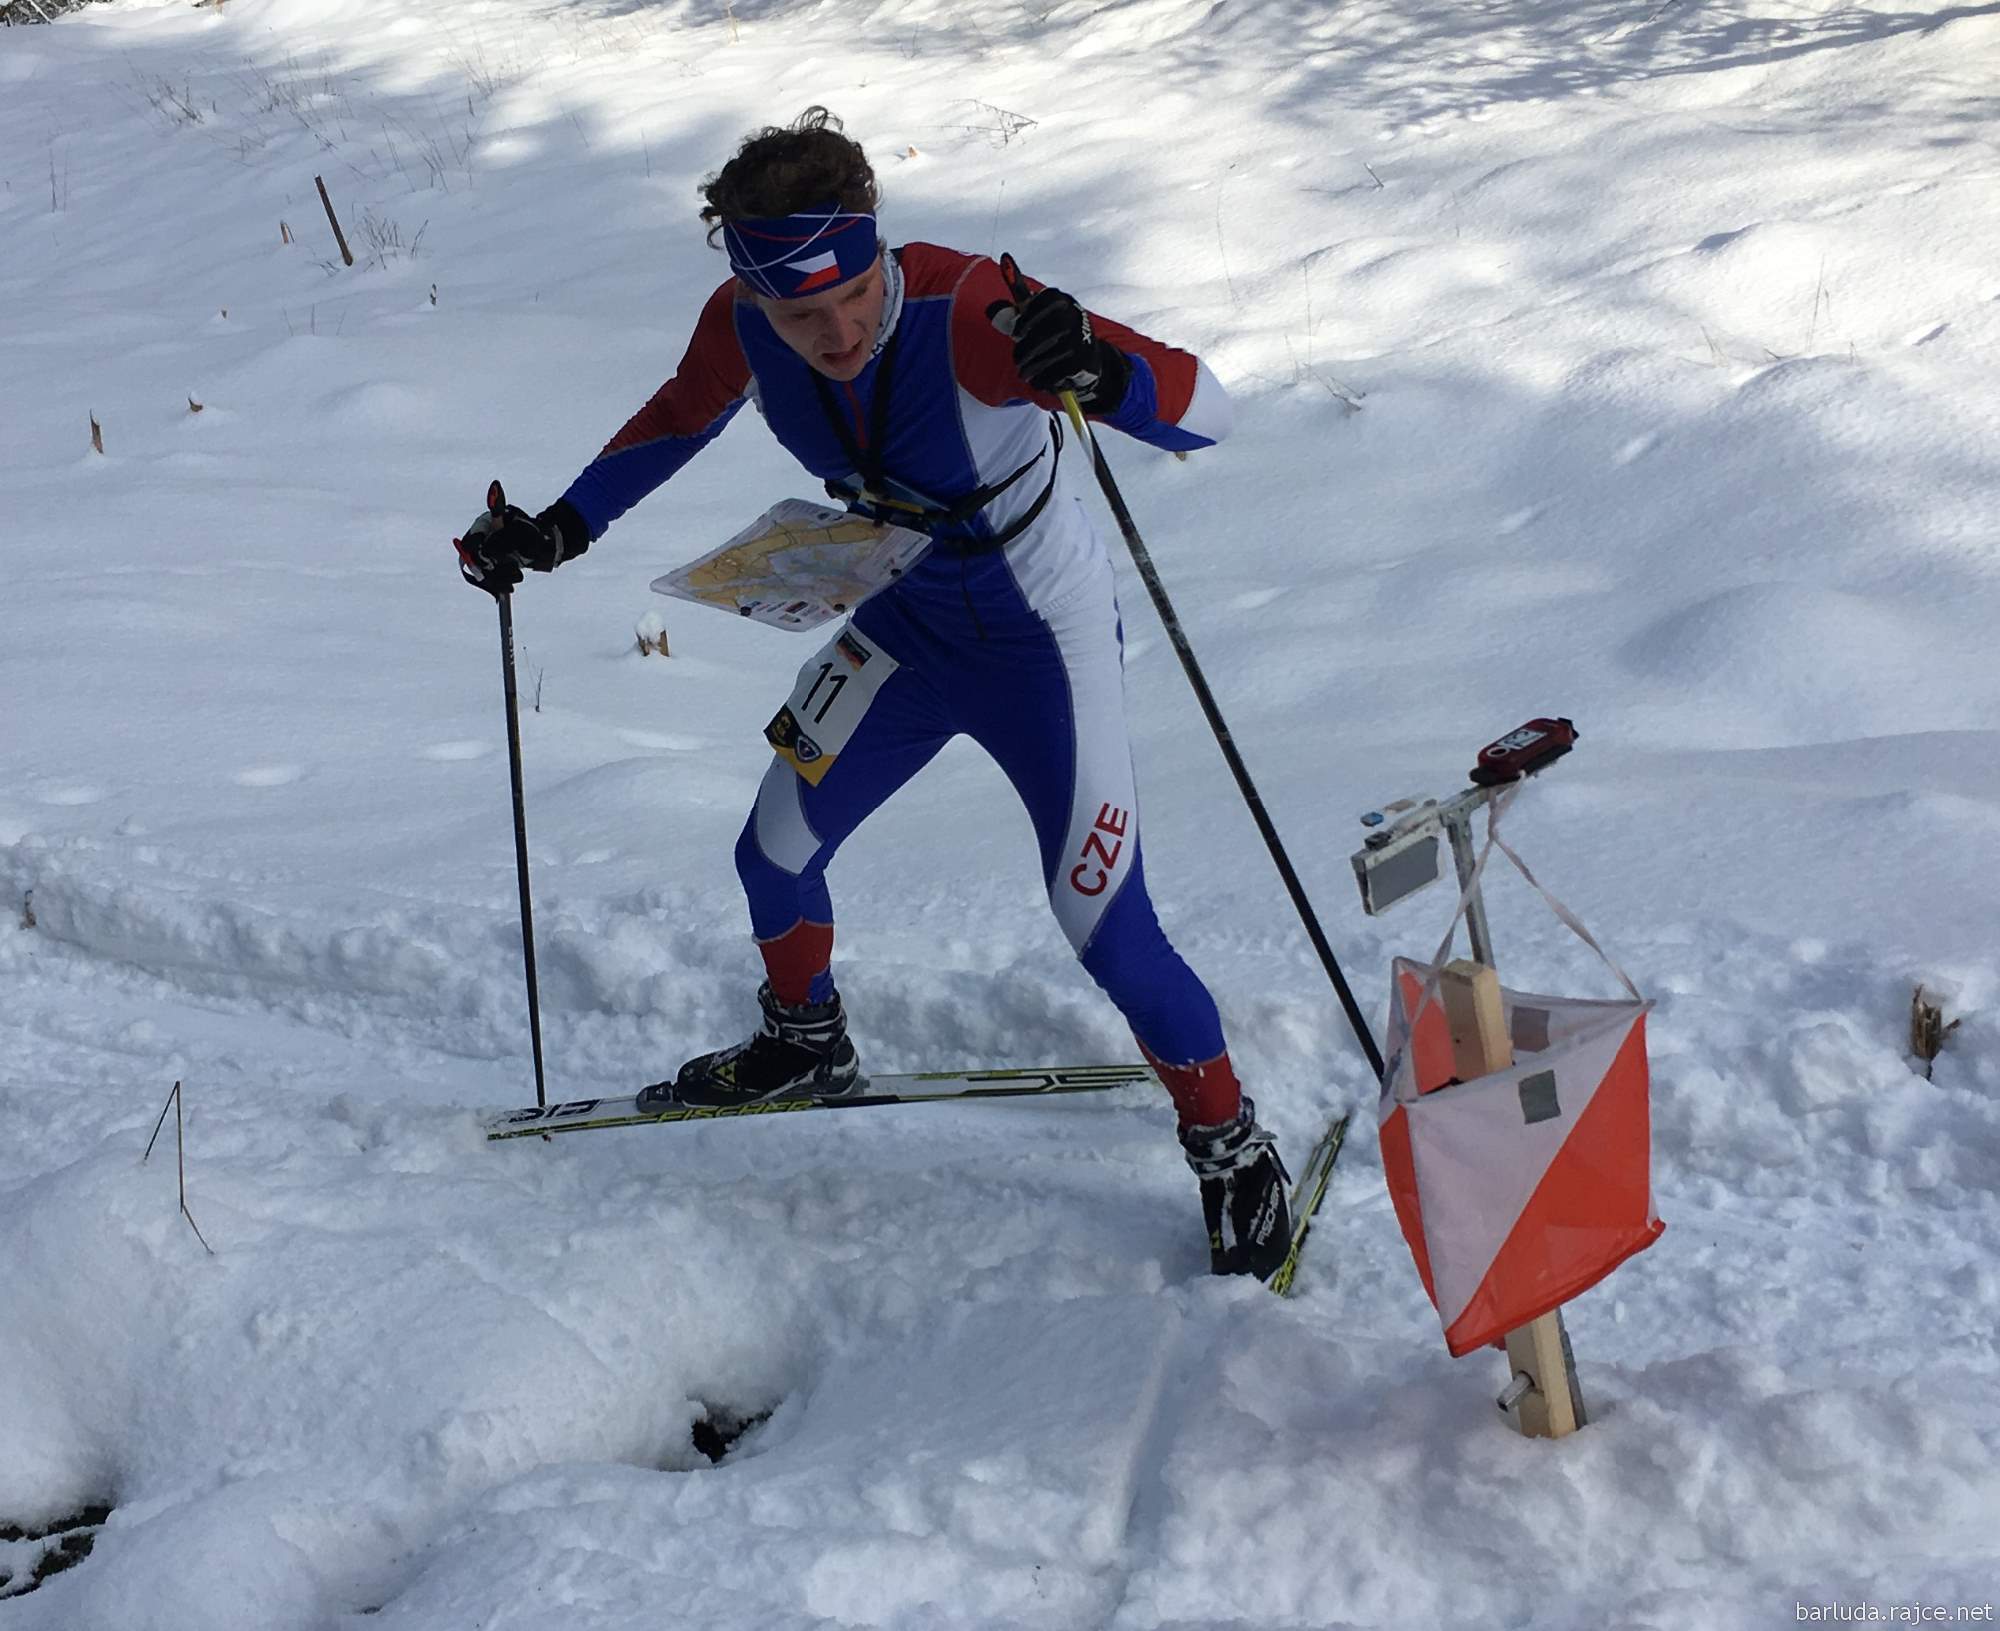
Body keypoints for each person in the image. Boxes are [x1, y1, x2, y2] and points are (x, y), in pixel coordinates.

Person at [457, 108, 1292, 1280]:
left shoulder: (968, 311)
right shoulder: (741, 325)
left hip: (1040, 645)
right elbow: (678, 415)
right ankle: (805, 1039)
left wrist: (1102, 372)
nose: (839, 330)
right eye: (802, 315)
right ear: (756, 297)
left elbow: (1210, 411)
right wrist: (560, 527)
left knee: (1101, 920)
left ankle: (1230, 1143)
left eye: (855, 292)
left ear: (877, 247)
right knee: (770, 852)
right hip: (902, 626)